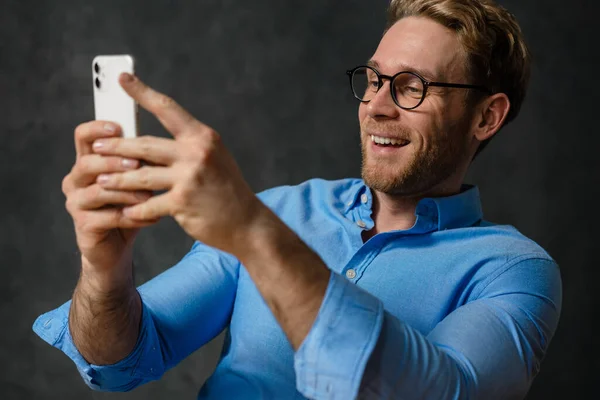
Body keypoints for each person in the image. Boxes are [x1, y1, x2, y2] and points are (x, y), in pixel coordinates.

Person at [33, 0, 562, 398]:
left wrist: (253, 234)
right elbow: (123, 357)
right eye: (374, 79)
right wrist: (104, 269)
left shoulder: (511, 271)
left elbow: (443, 391)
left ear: (486, 117)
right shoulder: (280, 210)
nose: (376, 106)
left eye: (412, 86)